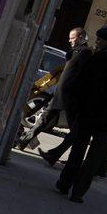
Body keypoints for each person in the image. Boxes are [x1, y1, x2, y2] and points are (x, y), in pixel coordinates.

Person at [55, 25, 107, 204]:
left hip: (88, 112)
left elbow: (80, 84)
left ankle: (64, 183)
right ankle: (78, 192)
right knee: (94, 158)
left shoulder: (98, 58)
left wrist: (77, 108)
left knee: (77, 151)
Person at [26, 28, 90, 160]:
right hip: (62, 94)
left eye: (72, 38)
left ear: (81, 37)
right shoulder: (76, 52)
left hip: (71, 97)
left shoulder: (85, 52)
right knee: (44, 119)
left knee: (76, 130)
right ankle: (24, 141)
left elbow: (81, 75)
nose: (69, 40)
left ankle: (60, 156)